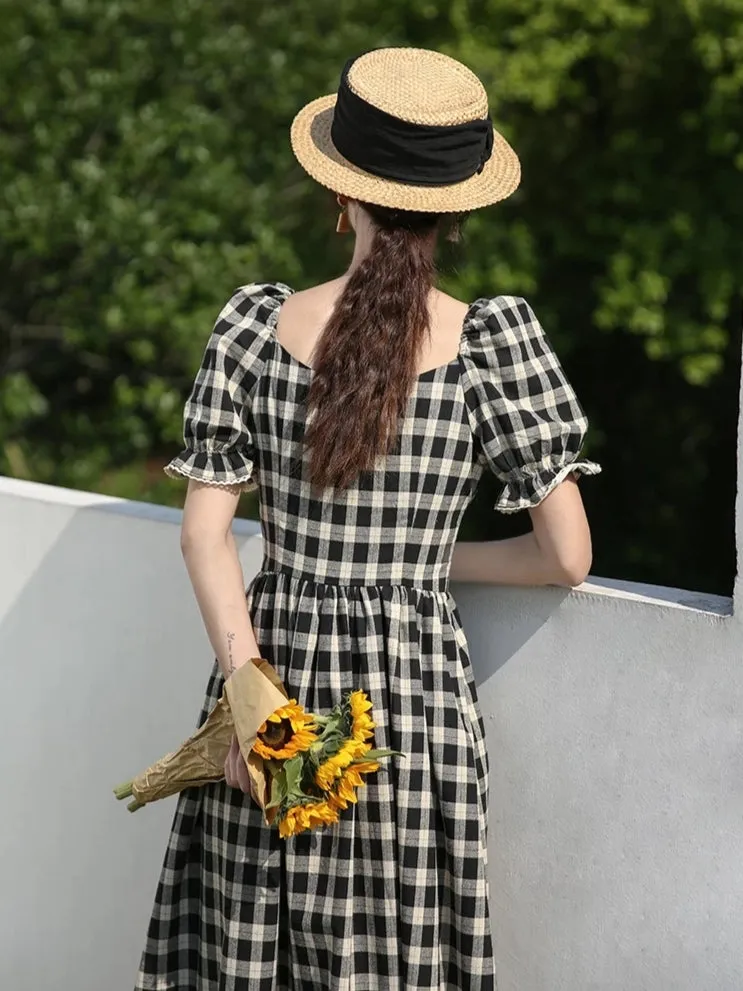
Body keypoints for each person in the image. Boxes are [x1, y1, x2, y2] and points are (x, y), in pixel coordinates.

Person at [135, 46, 600, 991]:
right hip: (414, 706)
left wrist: (247, 687)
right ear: (455, 213)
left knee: (248, 938)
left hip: (277, 683)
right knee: (395, 948)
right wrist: (416, 564)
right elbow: (566, 558)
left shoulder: (254, 326)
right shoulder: (494, 344)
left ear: (338, 196)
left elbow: (203, 530)